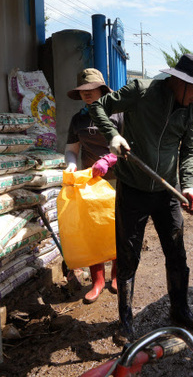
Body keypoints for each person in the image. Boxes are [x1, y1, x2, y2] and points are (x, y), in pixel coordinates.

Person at [89, 53, 193, 345]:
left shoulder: (192, 107)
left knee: (176, 251)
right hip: (133, 186)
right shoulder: (140, 91)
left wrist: (189, 186)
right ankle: (125, 322)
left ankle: (180, 310)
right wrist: (112, 135)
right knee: (129, 255)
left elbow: (187, 151)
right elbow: (97, 107)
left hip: (167, 191)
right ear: (179, 81)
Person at [64, 68, 122, 303]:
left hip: (118, 180)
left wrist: (109, 159)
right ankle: (97, 280)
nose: (87, 94)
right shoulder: (78, 119)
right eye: (82, 91)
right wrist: (70, 165)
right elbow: (71, 149)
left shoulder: (118, 114)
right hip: (90, 182)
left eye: (91, 89)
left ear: (101, 89)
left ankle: (117, 275)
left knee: (117, 228)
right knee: (93, 231)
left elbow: (132, 146)